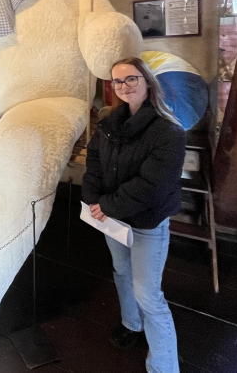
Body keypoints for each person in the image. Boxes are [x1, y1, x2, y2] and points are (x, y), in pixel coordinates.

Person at [82, 57, 186, 373]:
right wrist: (93, 200)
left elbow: (152, 186)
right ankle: (131, 323)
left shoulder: (168, 130)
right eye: (118, 81)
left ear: (147, 82)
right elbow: (94, 163)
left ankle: (164, 367)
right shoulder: (109, 123)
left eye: (131, 79)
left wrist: (106, 205)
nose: (124, 86)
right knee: (122, 272)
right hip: (112, 217)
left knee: (148, 293)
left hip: (146, 221)